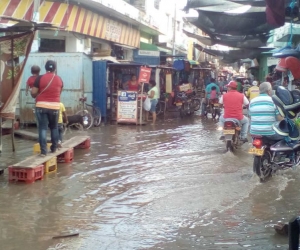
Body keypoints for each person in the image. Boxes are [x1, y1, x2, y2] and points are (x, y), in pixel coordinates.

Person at [31, 60, 63, 156]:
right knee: (54, 127)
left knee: (42, 129)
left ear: (45, 68)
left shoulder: (39, 78)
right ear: (55, 68)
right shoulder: (59, 79)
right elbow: (59, 93)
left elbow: (33, 93)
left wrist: (36, 94)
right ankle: (54, 149)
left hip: (41, 106)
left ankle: (43, 152)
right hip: (54, 107)